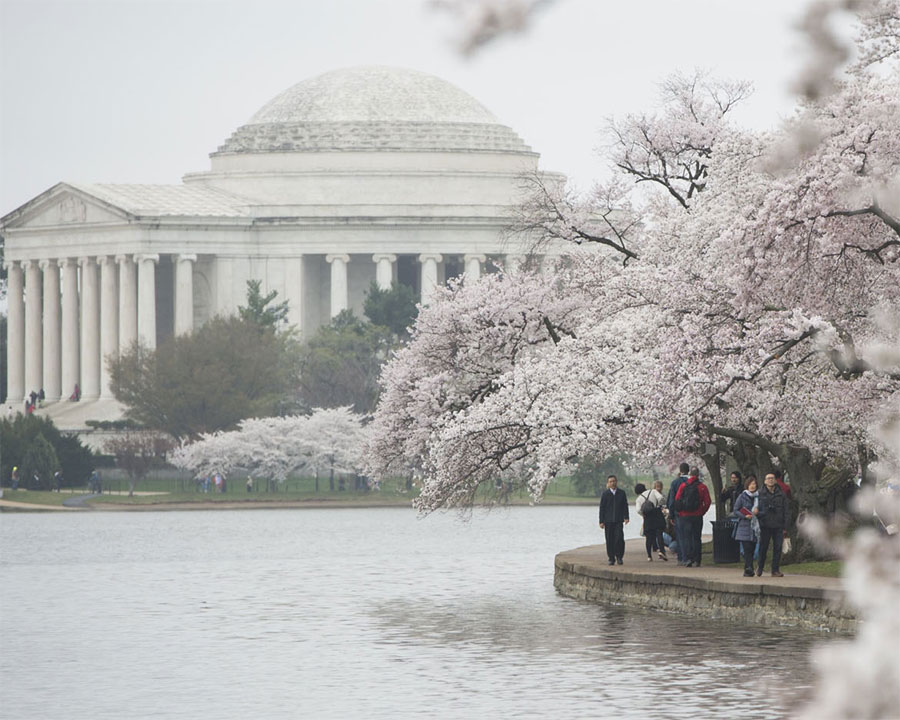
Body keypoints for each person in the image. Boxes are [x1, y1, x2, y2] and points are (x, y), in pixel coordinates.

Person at [673, 466, 712, 567]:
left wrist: (681, 511)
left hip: (685, 516)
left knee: (687, 538)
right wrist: (702, 511)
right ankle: (697, 559)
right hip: (697, 515)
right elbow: (707, 502)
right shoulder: (702, 487)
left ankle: (688, 558)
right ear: (698, 475)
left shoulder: (683, 486)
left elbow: (677, 499)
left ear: (690, 475)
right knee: (697, 537)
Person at [755, 472, 789, 577]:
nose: (770, 480)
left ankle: (775, 570)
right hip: (765, 525)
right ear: (765, 481)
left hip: (778, 525)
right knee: (763, 547)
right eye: (768, 478)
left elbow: (786, 510)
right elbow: (756, 509)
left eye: (772, 478)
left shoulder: (781, 494)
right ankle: (760, 567)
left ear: (775, 480)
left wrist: (785, 526)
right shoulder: (760, 494)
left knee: (778, 548)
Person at [731, 476, 760, 577]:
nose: (753, 486)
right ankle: (749, 568)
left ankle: (747, 568)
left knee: (752, 549)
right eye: (751, 484)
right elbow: (736, 510)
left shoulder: (758, 497)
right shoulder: (742, 496)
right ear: (747, 485)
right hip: (744, 526)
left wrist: (758, 512)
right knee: (747, 548)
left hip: (755, 527)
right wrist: (744, 516)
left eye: (754, 484)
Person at [598, 474, 629, 566]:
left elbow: (625, 506)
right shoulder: (605, 494)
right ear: (608, 483)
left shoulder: (621, 493)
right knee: (609, 539)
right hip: (608, 520)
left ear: (616, 482)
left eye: (614, 481)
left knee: (619, 538)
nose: (612, 483)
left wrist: (626, 517)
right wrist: (601, 521)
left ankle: (619, 557)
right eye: (610, 481)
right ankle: (611, 558)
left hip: (618, 520)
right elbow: (602, 508)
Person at [635, 481, 667, 561]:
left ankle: (649, 556)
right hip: (657, 514)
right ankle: (662, 551)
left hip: (647, 517)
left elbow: (638, 510)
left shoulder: (639, 499)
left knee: (648, 537)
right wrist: (658, 505)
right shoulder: (653, 491)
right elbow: (661, 498)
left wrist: (643, 514)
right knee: (659, 534)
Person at [667, 462, 691, 564]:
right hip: (692, 513)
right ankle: (692, 557)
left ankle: (682, 558)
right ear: (688, 470)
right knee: (691, 536)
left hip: (679, 514)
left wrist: (671, 515)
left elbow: (671, 501)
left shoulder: (675, 483)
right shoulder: (694, 482)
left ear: (680, 471)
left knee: (681, 536)